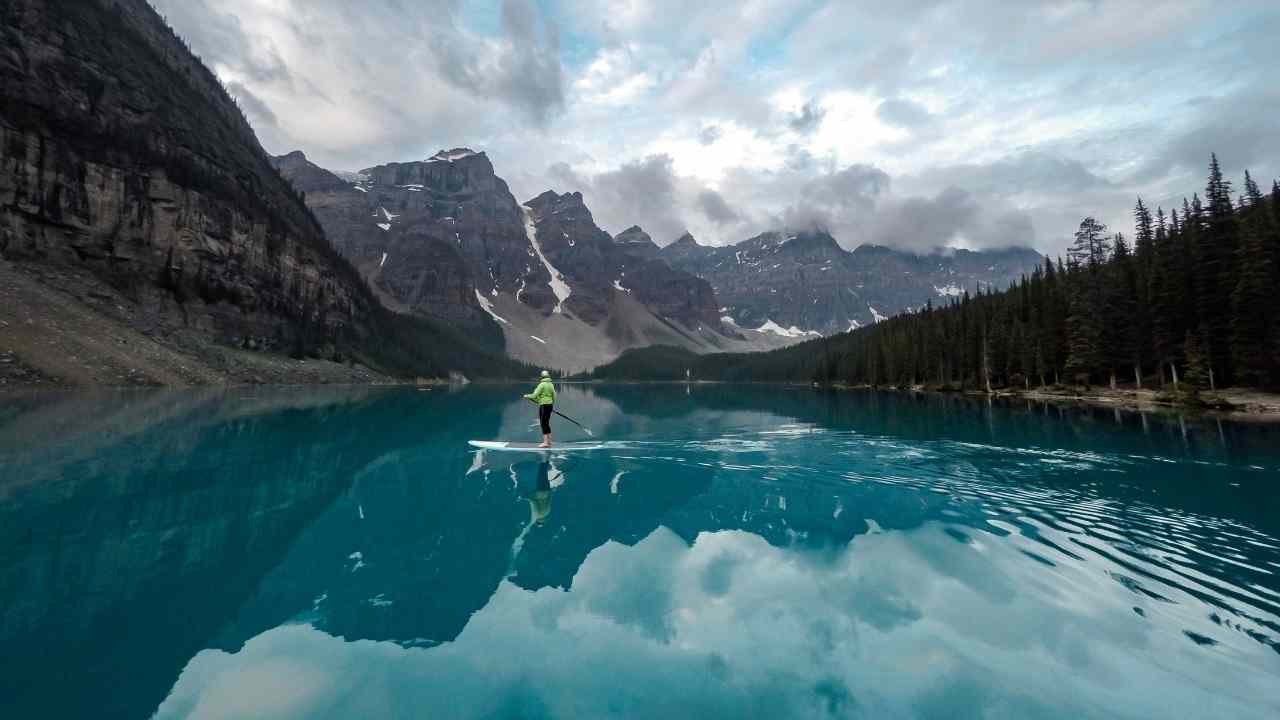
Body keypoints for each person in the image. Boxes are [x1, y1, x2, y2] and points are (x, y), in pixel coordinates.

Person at [524, 370, 556, 447]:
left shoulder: (541, 385)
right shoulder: (551, 384)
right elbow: (554, 396)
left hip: (544, 406)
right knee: (546, 423)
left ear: (541, 377)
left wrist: (527, 396)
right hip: (549, 405)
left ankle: (545, 443)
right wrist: (551, 405)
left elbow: (534, 396)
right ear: (548, 376)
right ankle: (549, 442)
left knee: (543, 423)